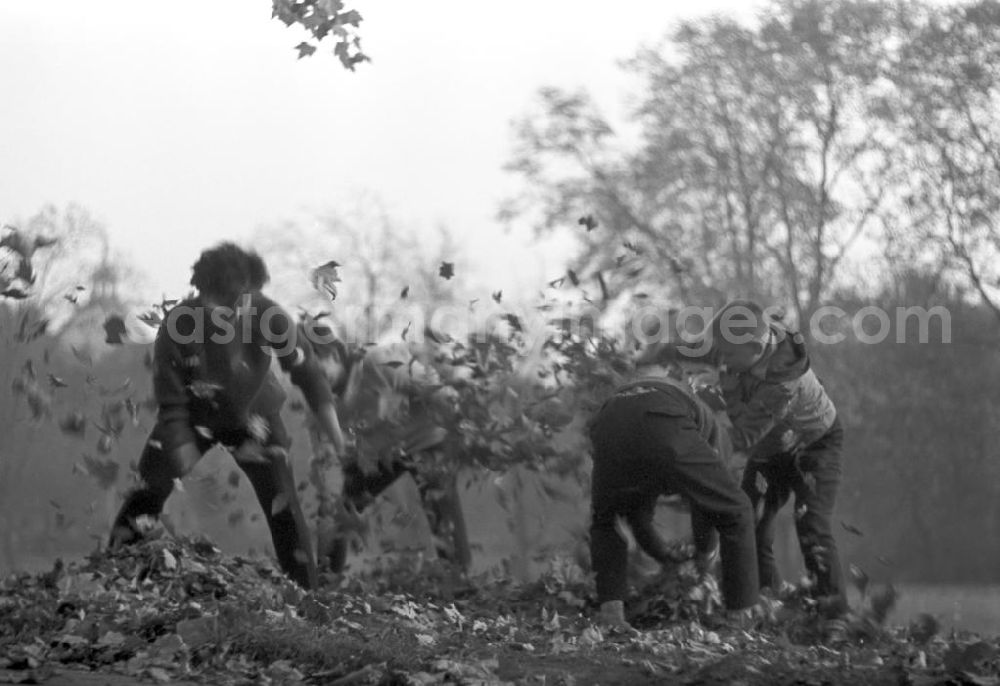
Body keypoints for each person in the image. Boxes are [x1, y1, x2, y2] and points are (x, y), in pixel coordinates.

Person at [108, 243, 346, 589]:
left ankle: (308, 595)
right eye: (212, 302)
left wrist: (336, 435)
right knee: (147, 491)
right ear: (200, 291)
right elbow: (170, 400)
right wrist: (180, 447)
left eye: (232, 303)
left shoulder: (269, 317)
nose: (222, 312)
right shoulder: (179, 324)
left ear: (248, 293)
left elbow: (308, 374)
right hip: (192, 417)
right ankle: (112, 576)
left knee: (283, 507)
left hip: (255, 419)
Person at [673, 300, 846, 614]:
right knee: (747, 520)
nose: (721, 361)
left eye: (726, 356)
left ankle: (834, 611)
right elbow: (700, 352)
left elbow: (743, 437)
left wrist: (694, 458)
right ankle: (767, 599)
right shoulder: (738, 348)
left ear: (755, 348)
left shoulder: (782, 382)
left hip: (815, 446)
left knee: (811, 523)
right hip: (772, 448)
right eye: (719, 353)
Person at [587, 350, 759, 628]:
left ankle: (611, 615)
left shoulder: (673, 430)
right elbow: (715, 509)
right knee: (737, 508)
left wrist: (665, 557)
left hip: (608, 420)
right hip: (660, 414)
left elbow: (636, 515)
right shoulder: (718, 437)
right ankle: (740, 616)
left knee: (606, 520)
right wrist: (704, 556)